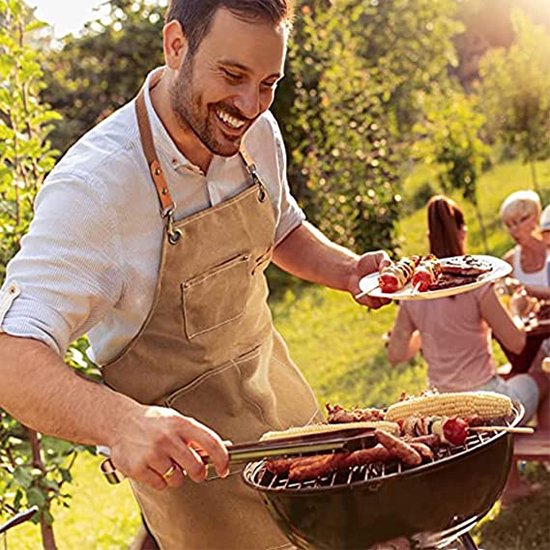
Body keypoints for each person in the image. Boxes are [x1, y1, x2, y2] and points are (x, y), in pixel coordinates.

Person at [0, 1, 389, 548]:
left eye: (268, 83)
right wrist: (121, 424)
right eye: (232, 76)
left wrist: (347, 270)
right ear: (176, 46)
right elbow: (12, 359)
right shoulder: (95, 188)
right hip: (199, 479)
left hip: (293, 426)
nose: (250, 105)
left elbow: (281, 226)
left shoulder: (257, 133)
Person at [500, 190, 550, 300]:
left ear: (536, 217)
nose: (514, 230)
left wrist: (524, 288)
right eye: (509, 225)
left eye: (520, 221)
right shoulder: (509, 263)